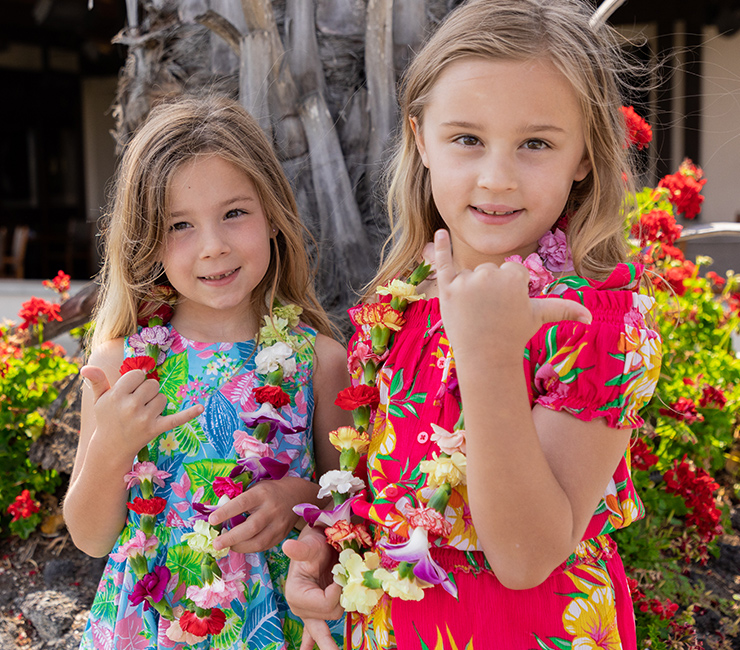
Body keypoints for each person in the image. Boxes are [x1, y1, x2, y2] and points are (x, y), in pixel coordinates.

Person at [282, 0, 662, 648]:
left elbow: (524, 555)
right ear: (421, 138)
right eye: (467, 138)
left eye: (536, 143)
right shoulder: (402, 305)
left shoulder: (590, 321)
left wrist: (485, 357)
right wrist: (329, 546)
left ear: (584, 156)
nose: (496, 177)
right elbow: (387, 480)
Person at [64, 95, 349, 649]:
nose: (213, 247)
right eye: (180, 225)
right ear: (148, 240)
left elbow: (348, 506)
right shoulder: (121, 366)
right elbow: (91, 537)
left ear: (272, 215)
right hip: (150, 626)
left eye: (234, 213)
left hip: (280, 622)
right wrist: (112, 446)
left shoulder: (319, 362)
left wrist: (299, 496)